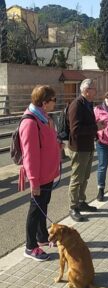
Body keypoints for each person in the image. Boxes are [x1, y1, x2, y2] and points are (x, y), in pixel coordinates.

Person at [19, 85, 61, 261]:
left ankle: (42, 237)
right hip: (39, 176)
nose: (55, 103)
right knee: (35, 211)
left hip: (48, 174)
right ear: (44, 103)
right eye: (53, 100)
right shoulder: (30, 122)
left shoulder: (44, 118)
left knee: (43, 207)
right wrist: (34, 181)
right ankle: (30, 246)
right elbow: (30, 156)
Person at [68, 79, 102, 222]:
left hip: (87, 146)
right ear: (86, 90)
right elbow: (75, 130)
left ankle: (81, 202)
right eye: (94, 88)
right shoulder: (77, 105)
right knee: (77, 178)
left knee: (85, 177)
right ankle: (73, 207)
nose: (96, 91)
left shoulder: (88, 104)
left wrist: (96, 130)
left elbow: (87, 125)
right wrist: (96, 128)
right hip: (78, 148)